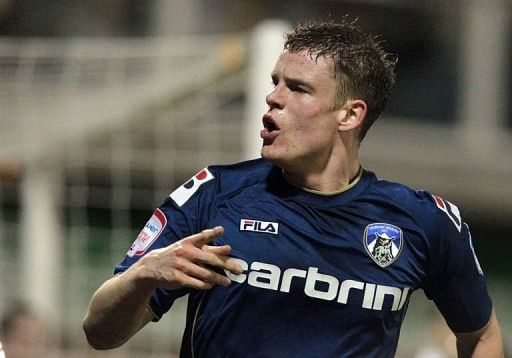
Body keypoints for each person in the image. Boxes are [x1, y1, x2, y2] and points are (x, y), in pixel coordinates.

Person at [83, 20, 504, 357]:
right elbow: (100, 334)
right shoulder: (214, 193)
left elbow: (482, 336)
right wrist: (144, 272)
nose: (272, 98)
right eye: (275, 82)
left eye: (297, 88)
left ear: (349, 114)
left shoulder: (421, 222)